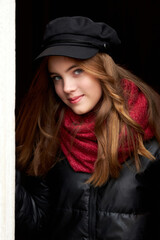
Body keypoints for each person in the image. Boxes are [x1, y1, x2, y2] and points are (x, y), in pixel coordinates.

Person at [16, 16, 160, 240]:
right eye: (57, 77)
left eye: (77, 71)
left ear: (104, 69)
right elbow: (37, 224)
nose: (67, 88)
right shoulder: (50, 137)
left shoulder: (152, 140)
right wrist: (8, 181)